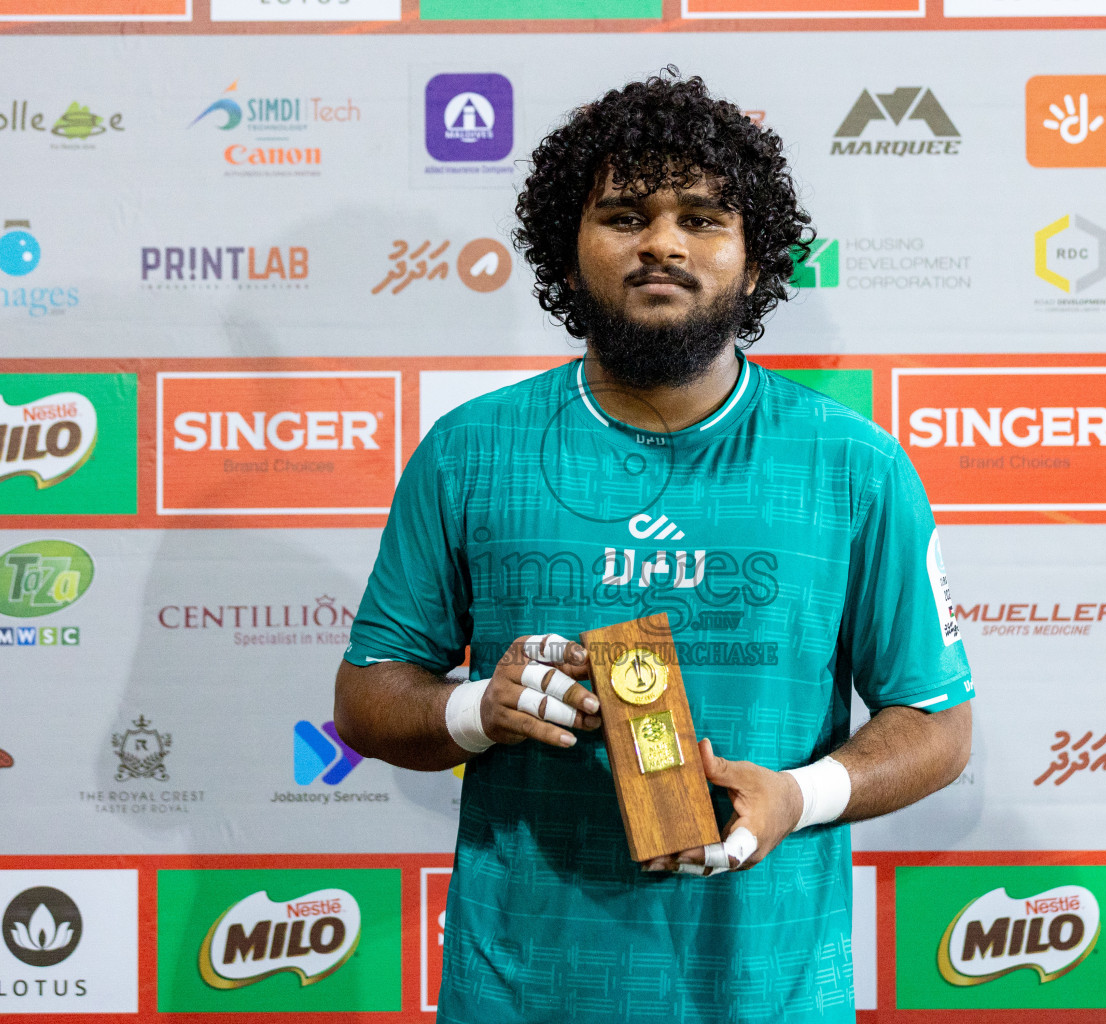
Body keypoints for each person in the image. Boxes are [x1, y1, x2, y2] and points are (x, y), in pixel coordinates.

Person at [335, 71, 973, 1024]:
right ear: (571, 248)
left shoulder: (856, 467)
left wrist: (798, 796)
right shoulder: (471, 451)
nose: (663, 242)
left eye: (704, 218)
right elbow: (367, 697)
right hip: (518, 991)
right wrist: (479, 706)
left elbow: (936, 721)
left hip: (769, 993)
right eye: (625, 214)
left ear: (756, 263)